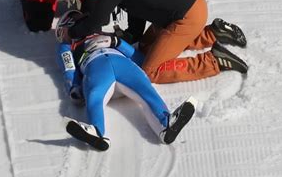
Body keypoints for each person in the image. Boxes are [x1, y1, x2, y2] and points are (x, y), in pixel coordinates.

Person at [68, 0, 248, 85]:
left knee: (151, 70)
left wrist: (72, 32)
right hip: (193, 2)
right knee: (146, 48)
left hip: (186, 17)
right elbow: (135, 2)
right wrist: (133, 33)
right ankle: (213, 33)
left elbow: (97, 22)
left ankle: (214, 61)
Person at [56, 10, 196, 151]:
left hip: (121, 64)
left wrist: (116, 42)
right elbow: (68, 68)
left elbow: (139, 59)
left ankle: (166, 125)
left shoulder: (106, 35)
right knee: (95, 95)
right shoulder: (68, 47)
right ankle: (96, 132)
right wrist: (73, 87)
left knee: (145, 89)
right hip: (95, 66)